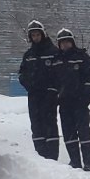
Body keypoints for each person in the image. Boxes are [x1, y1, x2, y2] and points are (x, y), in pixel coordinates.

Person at [53, 28, 90, 170]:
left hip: (80, 103)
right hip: (64, 103)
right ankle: (75, 161)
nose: (65, 45)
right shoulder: (56, 60)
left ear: (72, 42)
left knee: (84, 132)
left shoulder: (82, 57)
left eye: (67, 42)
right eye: (62, 43)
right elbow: (53, 81)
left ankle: (89, 162)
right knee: (69, 133)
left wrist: (85, 95)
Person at [17, 20, 61, 160]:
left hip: (49, 95)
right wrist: (29, 86)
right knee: (36, 125)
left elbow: (60, 72)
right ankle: (40, 156)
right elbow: (22, 74)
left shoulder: (54, 52)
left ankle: (52, 157)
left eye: (38, 34)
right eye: (33, 35)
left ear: (43, 34)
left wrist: (53, 89)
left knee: (49, 124)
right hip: (34, 96)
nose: (36, 37)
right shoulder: (29, 55)